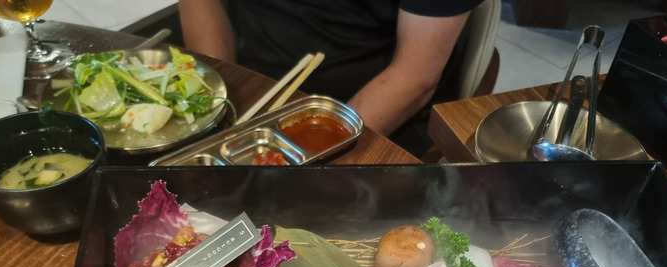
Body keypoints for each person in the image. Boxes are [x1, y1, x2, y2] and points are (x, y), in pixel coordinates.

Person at [177, 0, 483, 155]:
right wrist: (214, 101)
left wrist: (298, 153)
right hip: (246, 90)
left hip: (363, 120)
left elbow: (415, 75)